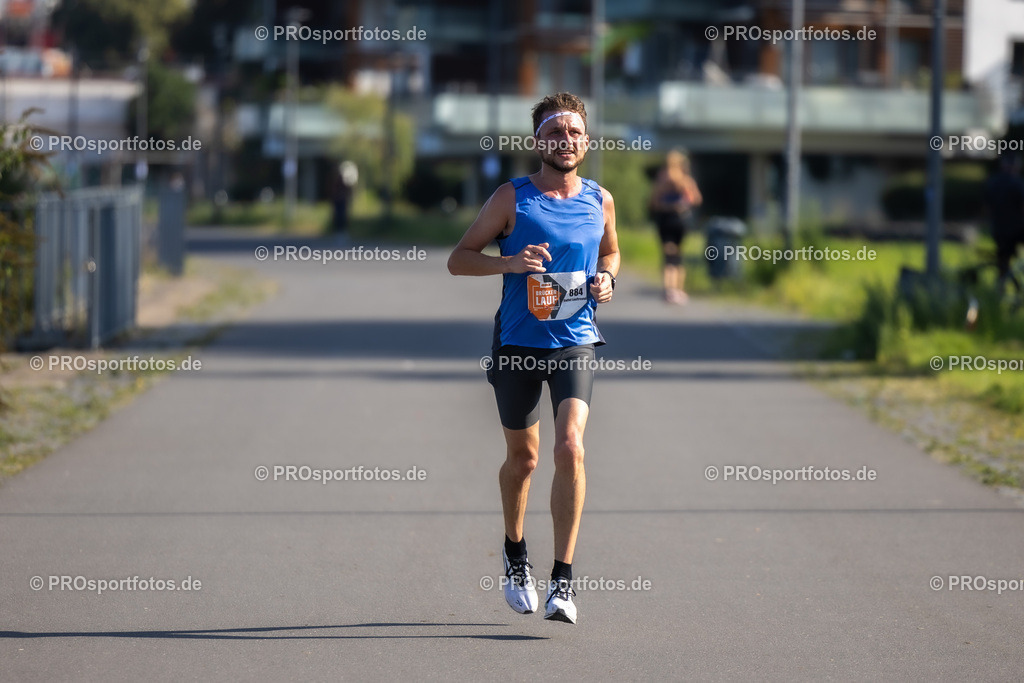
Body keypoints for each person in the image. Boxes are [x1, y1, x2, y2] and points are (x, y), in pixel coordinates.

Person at [447, 92, 619, 624]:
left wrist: (607, 277)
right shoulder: (512, 198)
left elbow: (611, 249)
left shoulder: (600, 199)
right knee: (524, 460)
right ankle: (515, 553)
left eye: (574, 134)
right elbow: (458, 260)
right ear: (537, 141)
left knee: (571, 447)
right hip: (519, 344)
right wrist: (512, 264)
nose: (565, 141)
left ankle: (562, 581)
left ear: (586, 142)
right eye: (554, 133)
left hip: (576, 339)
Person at [649, 150, 702, 304]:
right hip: (681, 220)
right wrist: (682, 204)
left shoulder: (662, 179)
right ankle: (678, 289)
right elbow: (696, 199)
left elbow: (653, 202)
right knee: (678, 255)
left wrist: (667, 205)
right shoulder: (686, 180)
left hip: (665, 220)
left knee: (668, 255)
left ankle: (669, 289)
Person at [983, 154, 1024, 294]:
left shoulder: (992, 182)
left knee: (1003, 264)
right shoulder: (1016, 183)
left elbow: (987, 208)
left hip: (999, 230)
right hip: (1017, 230)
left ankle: (1000, 292)